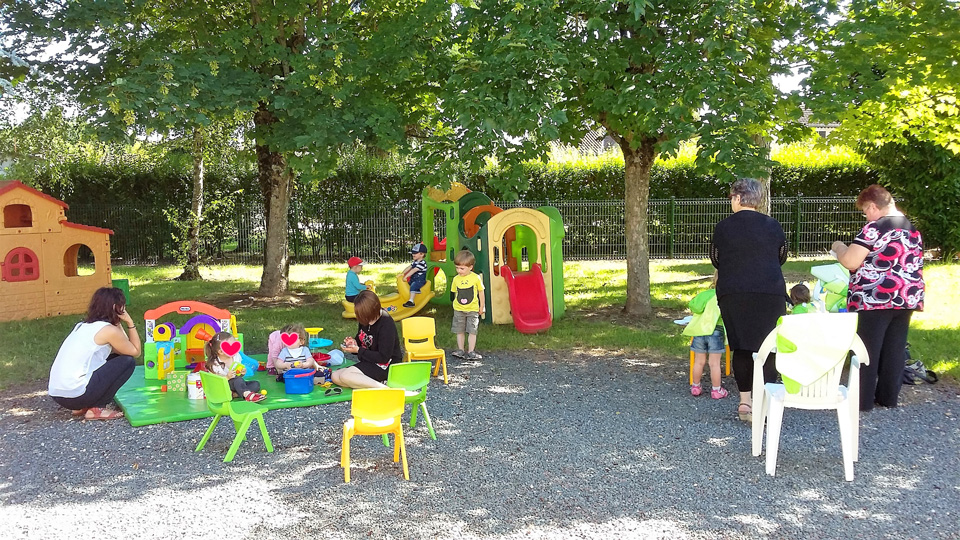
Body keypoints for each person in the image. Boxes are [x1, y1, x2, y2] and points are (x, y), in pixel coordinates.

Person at [831, 184, 924, 411]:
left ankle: (861, 401)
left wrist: (839, 247)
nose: (866, 216)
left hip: (874, 297)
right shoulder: (912, 229)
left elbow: (851, 261)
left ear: (874, 206)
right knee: (895, 347)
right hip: (906, 296)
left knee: (867, 349)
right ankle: (888, 397)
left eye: (865, 210)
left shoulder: (875, 228)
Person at [710, 178, 787, 422]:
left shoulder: (723, 227)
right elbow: (781, 256)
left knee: (740, 345)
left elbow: (716, 259)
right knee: (769, 346)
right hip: (770, 291)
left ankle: (745, 401)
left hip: (734, 292)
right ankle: (765, 400)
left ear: (737, 198)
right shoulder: (773, 225)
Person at [48, 287, 139, 420]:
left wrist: (116, 322)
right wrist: (130, 323)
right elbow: (134, 351)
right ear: (117, 307)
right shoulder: (108, 330)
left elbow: (120, 350)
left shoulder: (82, 326)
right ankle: (98, 408)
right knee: (128, 362)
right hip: (77, 395)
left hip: (59, 395)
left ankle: (82, 407)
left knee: (117, 358)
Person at [334, 290, 402, 388]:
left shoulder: (386, 324)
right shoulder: (365, 319)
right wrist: (353, 344)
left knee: (345, 376)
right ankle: (376, 384)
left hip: (386, 365)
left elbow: (383, 357)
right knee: (335, 376)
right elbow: (361, 340)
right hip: (371, 361)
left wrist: (358, 350)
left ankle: (384, 389)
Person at [683, 274, 728, 399]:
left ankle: (696, 386)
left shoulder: (706, 294)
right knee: (714, 363)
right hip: (716, 331)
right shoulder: (725, 296)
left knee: (699, 361)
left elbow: (694, 306)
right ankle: (716, 389)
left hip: (700, 331)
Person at [204, 331, 266, 402]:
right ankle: (247, 395)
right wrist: (227, 377)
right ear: (221, 352)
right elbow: (215, 382)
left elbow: (238, 376)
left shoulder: (236, 357)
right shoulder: (215, 364)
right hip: (222, 387)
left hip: (236, 384)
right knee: (238, 380)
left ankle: (235, 394)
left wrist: (242, 373)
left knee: (255, 384)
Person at [450, 250, 486, 360]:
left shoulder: (476, 278)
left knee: (472, 330)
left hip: (473, 309)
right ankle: (460, 350)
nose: (459, 271)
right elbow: (455, 293)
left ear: (470, 267)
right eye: (457, 268)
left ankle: (471, 351)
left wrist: (482, 306)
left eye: (462, 268)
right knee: (459, 330)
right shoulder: (456, 279)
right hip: (459, 309)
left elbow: (481, 292)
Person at [401, 242, 429, 307]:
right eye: (413, 253)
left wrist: (406, 276)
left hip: (420, 281)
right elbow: (409, 267)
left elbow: (413, 270)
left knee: (413, 286)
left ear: (422, 254)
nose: (413, 254)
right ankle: (406, 297)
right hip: (414, 279)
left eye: (415, 253)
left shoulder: (422, 263)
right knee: (408, 285)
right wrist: (402, 273)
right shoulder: (415, 262)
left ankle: (411, 301)